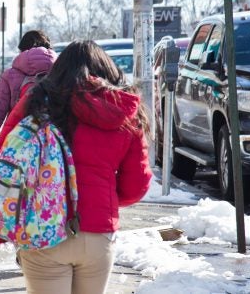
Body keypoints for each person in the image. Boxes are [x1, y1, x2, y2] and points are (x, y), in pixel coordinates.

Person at [17, 40, 152, 293]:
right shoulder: (124, 110)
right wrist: (105, 195)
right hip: (98, 231)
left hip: (43, 226)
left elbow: (7, 160)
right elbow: (136, 185)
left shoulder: (37, 103)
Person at [0, 30, 55, 170]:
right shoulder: (60, 74)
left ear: (22, 50)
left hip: (16, 144)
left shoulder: (10, 75)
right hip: (52, 148)